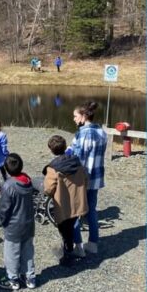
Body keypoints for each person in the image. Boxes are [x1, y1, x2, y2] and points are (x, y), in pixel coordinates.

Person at [68, 101, 107, 256]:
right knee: (91, 211)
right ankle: (93, 243)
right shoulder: (101, 131)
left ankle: (78, 247)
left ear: (84, 116)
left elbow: (78, 159)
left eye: (75, 116)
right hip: (96, 178)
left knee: (74, 211)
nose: (74, 119)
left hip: (81, 179)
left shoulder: (82, 134)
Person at [43, 135, 89, 266]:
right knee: (71, 226)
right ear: (65, 147)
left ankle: (68, 256)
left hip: (63, 205)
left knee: (64, 230)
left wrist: (51, 193)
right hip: (78, 203)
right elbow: (86, 179)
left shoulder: (52, 168)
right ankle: (72, 249)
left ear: (51, 150)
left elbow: (48, 189)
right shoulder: (77, 161)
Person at [0, 154, 37, 290]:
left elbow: (4, 208)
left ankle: (12, 278)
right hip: (28, 223)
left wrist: (3, 221)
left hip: (13, 226)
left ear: (7, 169)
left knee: (12, 253)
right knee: (28, 251)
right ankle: (29, 277)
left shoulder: (8, 185)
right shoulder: (28, 181)